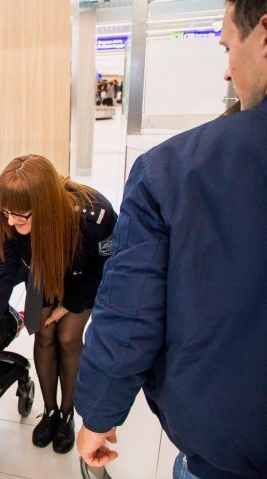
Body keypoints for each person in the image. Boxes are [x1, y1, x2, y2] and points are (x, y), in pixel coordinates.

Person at [74, 2, 267, 478]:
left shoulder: (173, 171)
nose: (226, 72)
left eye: (227, 47)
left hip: (227, 458)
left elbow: (130, 311)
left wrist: (99, 413)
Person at [0, 154, 117, 454]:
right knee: (44, 337)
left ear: (47, 206)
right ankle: (50, 410)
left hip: (83, 280)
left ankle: (67, 414)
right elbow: (1, 277)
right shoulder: (11, 218)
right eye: (5, 211)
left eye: (21, 215)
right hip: (40, 275)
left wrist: (69, 304)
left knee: (69, 339)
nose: (11, 221)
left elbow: (104, 269)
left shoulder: (94, 214)